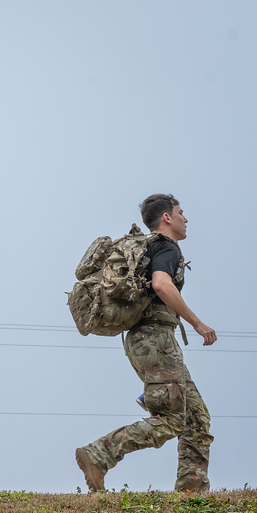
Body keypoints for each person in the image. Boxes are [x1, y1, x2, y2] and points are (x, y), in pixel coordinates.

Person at [76, 194, 216, 492]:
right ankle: (99, 454)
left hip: (146, 341)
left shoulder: (147, 248)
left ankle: (191, 493)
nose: (185, 219)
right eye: (181, 212)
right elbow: (161, 284)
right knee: (171, 419)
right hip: (155, 340)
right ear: (167, 217)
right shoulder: (165, 247)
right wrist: (198, 323)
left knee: (196, 418)